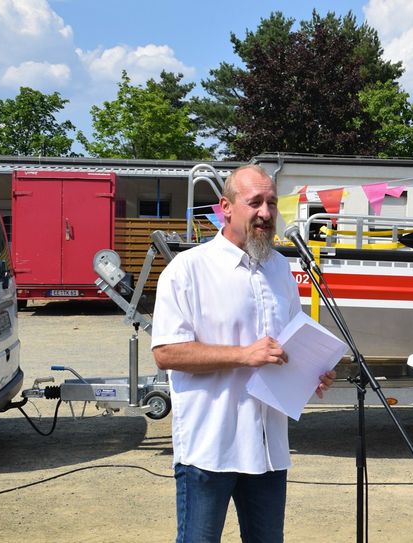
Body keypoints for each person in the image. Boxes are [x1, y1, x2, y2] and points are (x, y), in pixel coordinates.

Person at [151, 164, 336, 542]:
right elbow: (166, 353)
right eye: (255, 203)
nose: (266, 213)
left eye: (271, 203)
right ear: (226, 207)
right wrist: (243, 354)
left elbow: (290, 343)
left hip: (268, 447)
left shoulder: (280, 268)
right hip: (210, 447)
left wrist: (312, 369)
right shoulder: (188, 270)